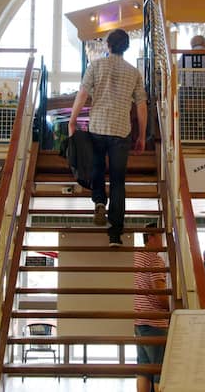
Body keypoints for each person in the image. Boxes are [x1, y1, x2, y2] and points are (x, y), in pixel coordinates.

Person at [68, 29, 147, 247]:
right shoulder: (134, 73)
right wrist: (141, 135)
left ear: (108, 45)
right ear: (126, 47)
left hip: (98, 127)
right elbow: (141, 106)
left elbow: (82, 94)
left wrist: (72, 120)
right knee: (118, 181)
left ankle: (99, 201)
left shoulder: (95, 66)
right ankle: (115, 234)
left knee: (97, 168)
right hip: (121, 131)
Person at [134, 223, 169, 392]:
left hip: (139, 321)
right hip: (155, 322)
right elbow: (160, 294)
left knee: (144, 369)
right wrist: (173, 308)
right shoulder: (155, 260)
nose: (162, 241)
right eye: (159, 236)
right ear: (150, 238)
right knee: (160, 370)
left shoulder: (137, 256)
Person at [178, 35, 205, 140]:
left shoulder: (183, 56)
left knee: (180, 101)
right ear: (204, 44)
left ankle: (185, 137)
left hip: (187, 97)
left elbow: (178, 76)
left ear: (191, 45)